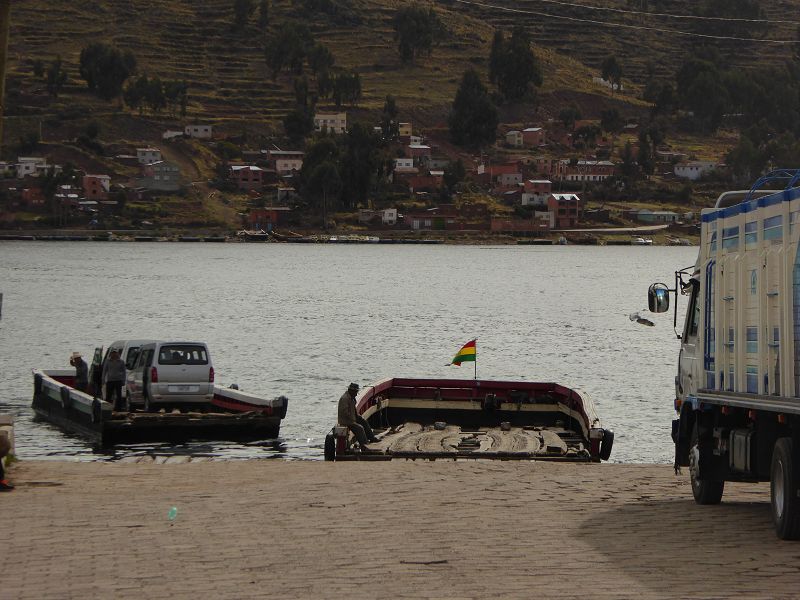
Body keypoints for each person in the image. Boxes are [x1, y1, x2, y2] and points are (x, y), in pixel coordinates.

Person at [338, 382, 378, 448]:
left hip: (351, 419)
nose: (356, 394)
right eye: (355, 392)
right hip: (346, 421)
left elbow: (353, 410)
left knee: (364, 422)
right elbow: (344, 413)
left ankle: (372, 438)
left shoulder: (351, 398)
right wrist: (353, 420)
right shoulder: (345, 399)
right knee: (360, 428)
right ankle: (364, 445)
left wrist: (357, 416)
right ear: (351, 391)